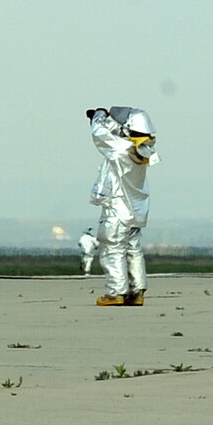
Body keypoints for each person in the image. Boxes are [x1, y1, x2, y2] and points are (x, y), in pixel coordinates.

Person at [86, 106, 156, 307]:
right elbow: (120, 134)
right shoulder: (143, 150)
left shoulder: (120, 149)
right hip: (136, 208)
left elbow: (99, 134)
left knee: (112, 248)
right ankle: (137, 291)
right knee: (133, 249)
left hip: (118, 207)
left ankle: (116, 292)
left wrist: (99, 116)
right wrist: (111, 121)